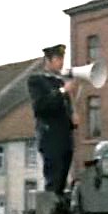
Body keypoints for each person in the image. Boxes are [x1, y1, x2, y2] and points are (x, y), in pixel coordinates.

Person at [27, 44, 78, 197]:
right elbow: (41, 107)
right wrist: (62, 91)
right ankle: (50, 212)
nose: (61, 62)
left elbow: (63, 109)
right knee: (54, 179)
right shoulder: (37, 81)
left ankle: (60, 209)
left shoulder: (60, 82)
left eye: (62, 58)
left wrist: (72, 117)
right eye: (57, 59)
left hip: (65, 138)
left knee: (62, 180)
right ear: (48, 60)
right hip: (50, 137)